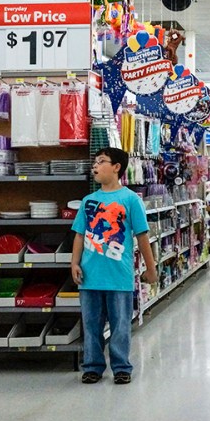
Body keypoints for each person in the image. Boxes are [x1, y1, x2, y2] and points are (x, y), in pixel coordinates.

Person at [70, 147, 157, 385]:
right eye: (94, 163)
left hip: (119, 276)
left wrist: (151, 268)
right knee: (91, 325)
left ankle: (121, 367)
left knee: (120, 326)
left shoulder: (131, 200)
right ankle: (93, 366)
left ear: (117, 167)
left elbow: (142, 236)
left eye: (101, 162)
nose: (95, 167)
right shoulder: (89, 201)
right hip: (90, 276)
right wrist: (74, 263)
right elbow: (79, 234)